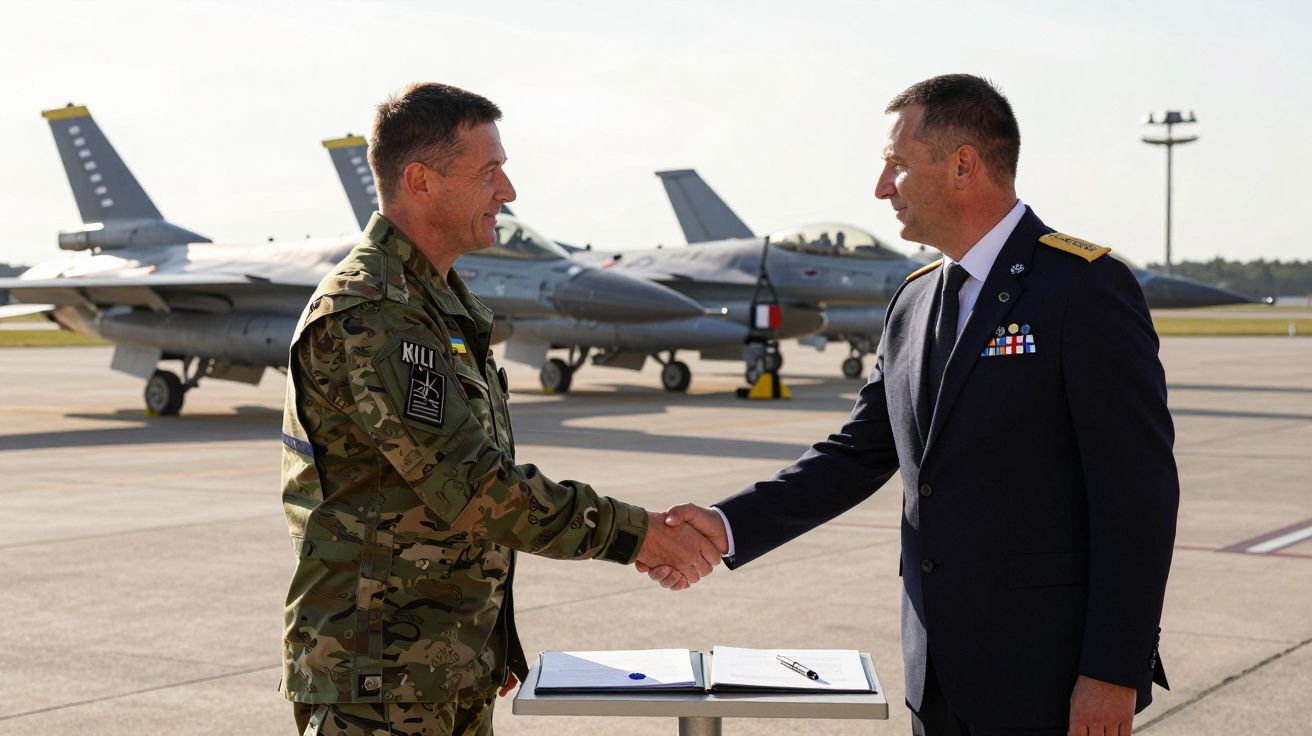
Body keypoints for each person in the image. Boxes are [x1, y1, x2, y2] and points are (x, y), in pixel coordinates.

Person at [644, 74, 1178, 735]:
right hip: (938, 673)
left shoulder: (1082, 288)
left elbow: (1138, 497)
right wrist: (725, 526)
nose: (880, 188)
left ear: (962, 166)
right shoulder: (915, 299)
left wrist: (1113, 670)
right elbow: (857, 453)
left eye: (895, 164)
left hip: (1051, 679)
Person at [279, 82, 720, 736]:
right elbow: (474, 487)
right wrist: (636, 533)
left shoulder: (436, 307)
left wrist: (487, 640)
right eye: (489, 172)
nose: (507, 192)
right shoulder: (376, 313)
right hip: (380, 682)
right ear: (421, 181)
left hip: (435, 670)